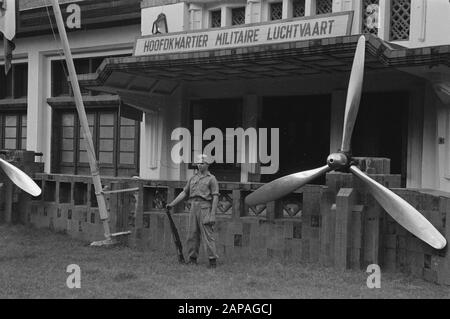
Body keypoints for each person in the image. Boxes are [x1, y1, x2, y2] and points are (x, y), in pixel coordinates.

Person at [166, 154, 219, 268]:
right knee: (192, 234)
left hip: (205, 207)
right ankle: (192, 258)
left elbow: (215, 196)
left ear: (207, 164)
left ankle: (212, 260)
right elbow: (184, 192)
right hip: (193, 207)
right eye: (198, 163)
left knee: (207, 235)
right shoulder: (192, 178)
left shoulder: (211, 178)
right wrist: (172, 204)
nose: (199, 165)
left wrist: (213, 214)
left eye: (202, 163)